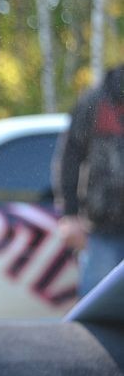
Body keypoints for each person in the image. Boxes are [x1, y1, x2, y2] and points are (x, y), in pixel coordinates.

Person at [53, 64, 124, 297]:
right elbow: (70, 157)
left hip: (104, 228)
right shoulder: (94, 102)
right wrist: (70, 214)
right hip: (104, 230)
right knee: (99, 306)